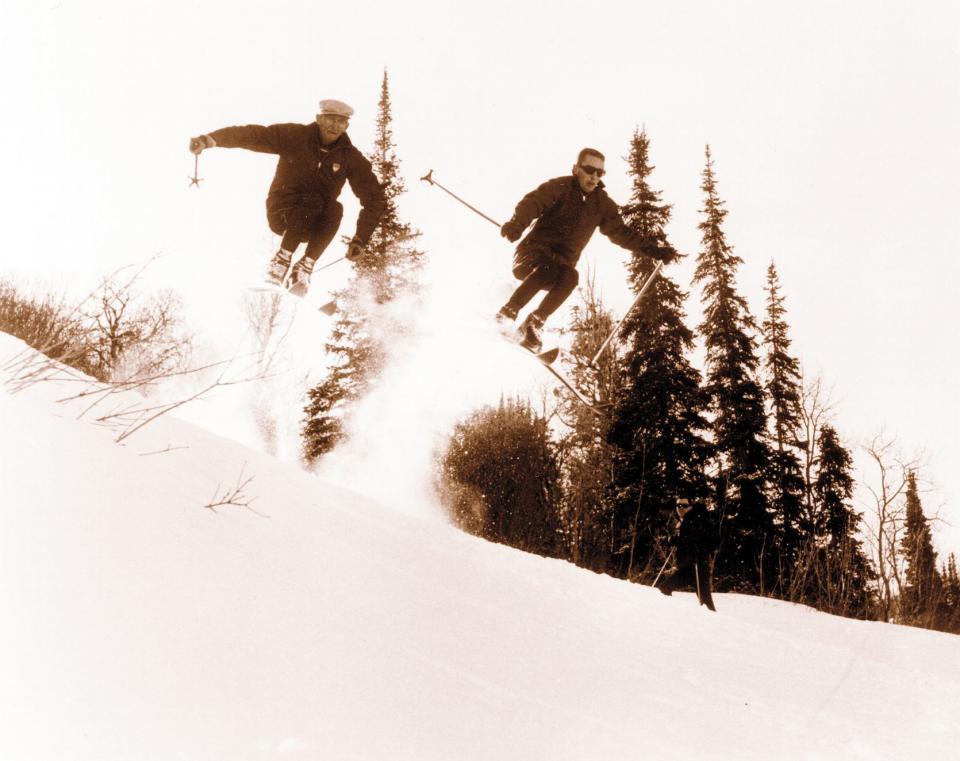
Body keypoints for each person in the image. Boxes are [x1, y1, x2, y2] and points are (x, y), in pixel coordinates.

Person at [189, 99, 386, 296]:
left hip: (312, 224)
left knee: (335, 209)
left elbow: (374, 199)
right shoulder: (294, 136)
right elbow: (254, 135)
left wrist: (361, 238)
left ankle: (304, 268)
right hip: (282, 212)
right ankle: (280, 263)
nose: (335, 126)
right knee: (313, 199)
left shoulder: (349, 157)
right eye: (330, 119)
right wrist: (210, 140)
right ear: (318, 119)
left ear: (347, 126)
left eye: (340, 121)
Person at [496, 147, 677, 351]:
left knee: (571, 277)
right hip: (532, 255)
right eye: (589, 170)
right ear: (576, 169)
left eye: (600, 173)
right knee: (549, 268)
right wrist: (517, 224)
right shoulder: (560, 187)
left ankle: (534, 324)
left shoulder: (602, 204)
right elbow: (534, 202)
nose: (594, 177)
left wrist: (654, 250)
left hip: (562, 264)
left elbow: (620, 232)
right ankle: (508, 312)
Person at [657, 499, 718, 612]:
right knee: (664, 588)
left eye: (684, 505)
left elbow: (713, 541)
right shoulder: (684, 522)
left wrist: (700, 550)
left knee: (705, 602)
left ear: (690, 507)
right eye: (678, 505)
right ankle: (672, 615)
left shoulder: (696, 521)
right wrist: (675, 540)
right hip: (686, 568)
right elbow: (686, 541)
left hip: (698, 567)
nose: (680, 508)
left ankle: (716, 626)